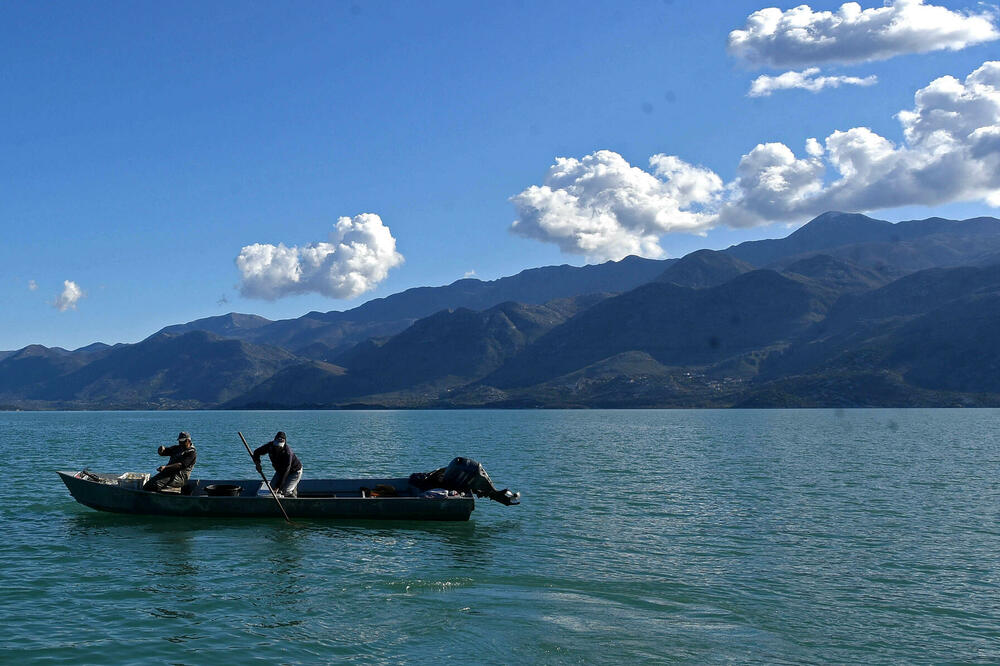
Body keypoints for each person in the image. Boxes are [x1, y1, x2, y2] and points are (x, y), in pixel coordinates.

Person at [252, 431, 302, 497]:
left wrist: (278, 486)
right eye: (276, 445)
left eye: (279, 446)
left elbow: (285, 472)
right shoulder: (270, 446)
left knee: (285, 491)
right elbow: (256, 452)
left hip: (294, 471)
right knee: (271, 488)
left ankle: (293, 497)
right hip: (280, 470)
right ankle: (290, 486)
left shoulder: (287, 453)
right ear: (274, 441)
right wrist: (257, 463)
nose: (277, 448)